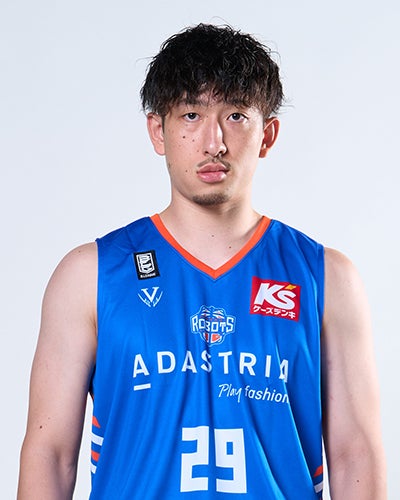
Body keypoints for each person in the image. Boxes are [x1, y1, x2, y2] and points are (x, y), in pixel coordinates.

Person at [18, 23, 386, 499]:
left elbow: (356, 452)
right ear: (159, 131)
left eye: (236, 115)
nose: (214, 142)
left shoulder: (326, 278)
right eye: (191, 114)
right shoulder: (90, 275)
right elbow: (51, 452)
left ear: (268, 134)